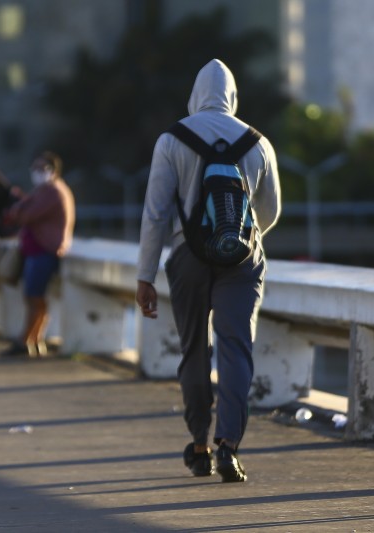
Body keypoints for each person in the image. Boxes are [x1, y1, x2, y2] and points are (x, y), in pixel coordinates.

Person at [136, 59, 281, 483]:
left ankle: (198, 443)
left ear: (196, 95)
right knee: (236, 349)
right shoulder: (258, 142)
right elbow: (270, 212)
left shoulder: (172, 139)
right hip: (242, 260)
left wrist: (145, 275)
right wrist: (237, 238)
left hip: (187, 256)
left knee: (194, 349)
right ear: (232, 97)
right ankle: (229, 447)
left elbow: (156, 213)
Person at [0, 151, 74, 358]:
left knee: (34, 296)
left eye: (43, 168)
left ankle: (28, 340)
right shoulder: (44, 190)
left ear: (54, 170)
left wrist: (18, 208)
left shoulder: (52, 191)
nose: (38, 172)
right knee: (33, 296)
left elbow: (24, 214)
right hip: (36, 252)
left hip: (44, 252)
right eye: (35, 168)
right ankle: (33, 339)